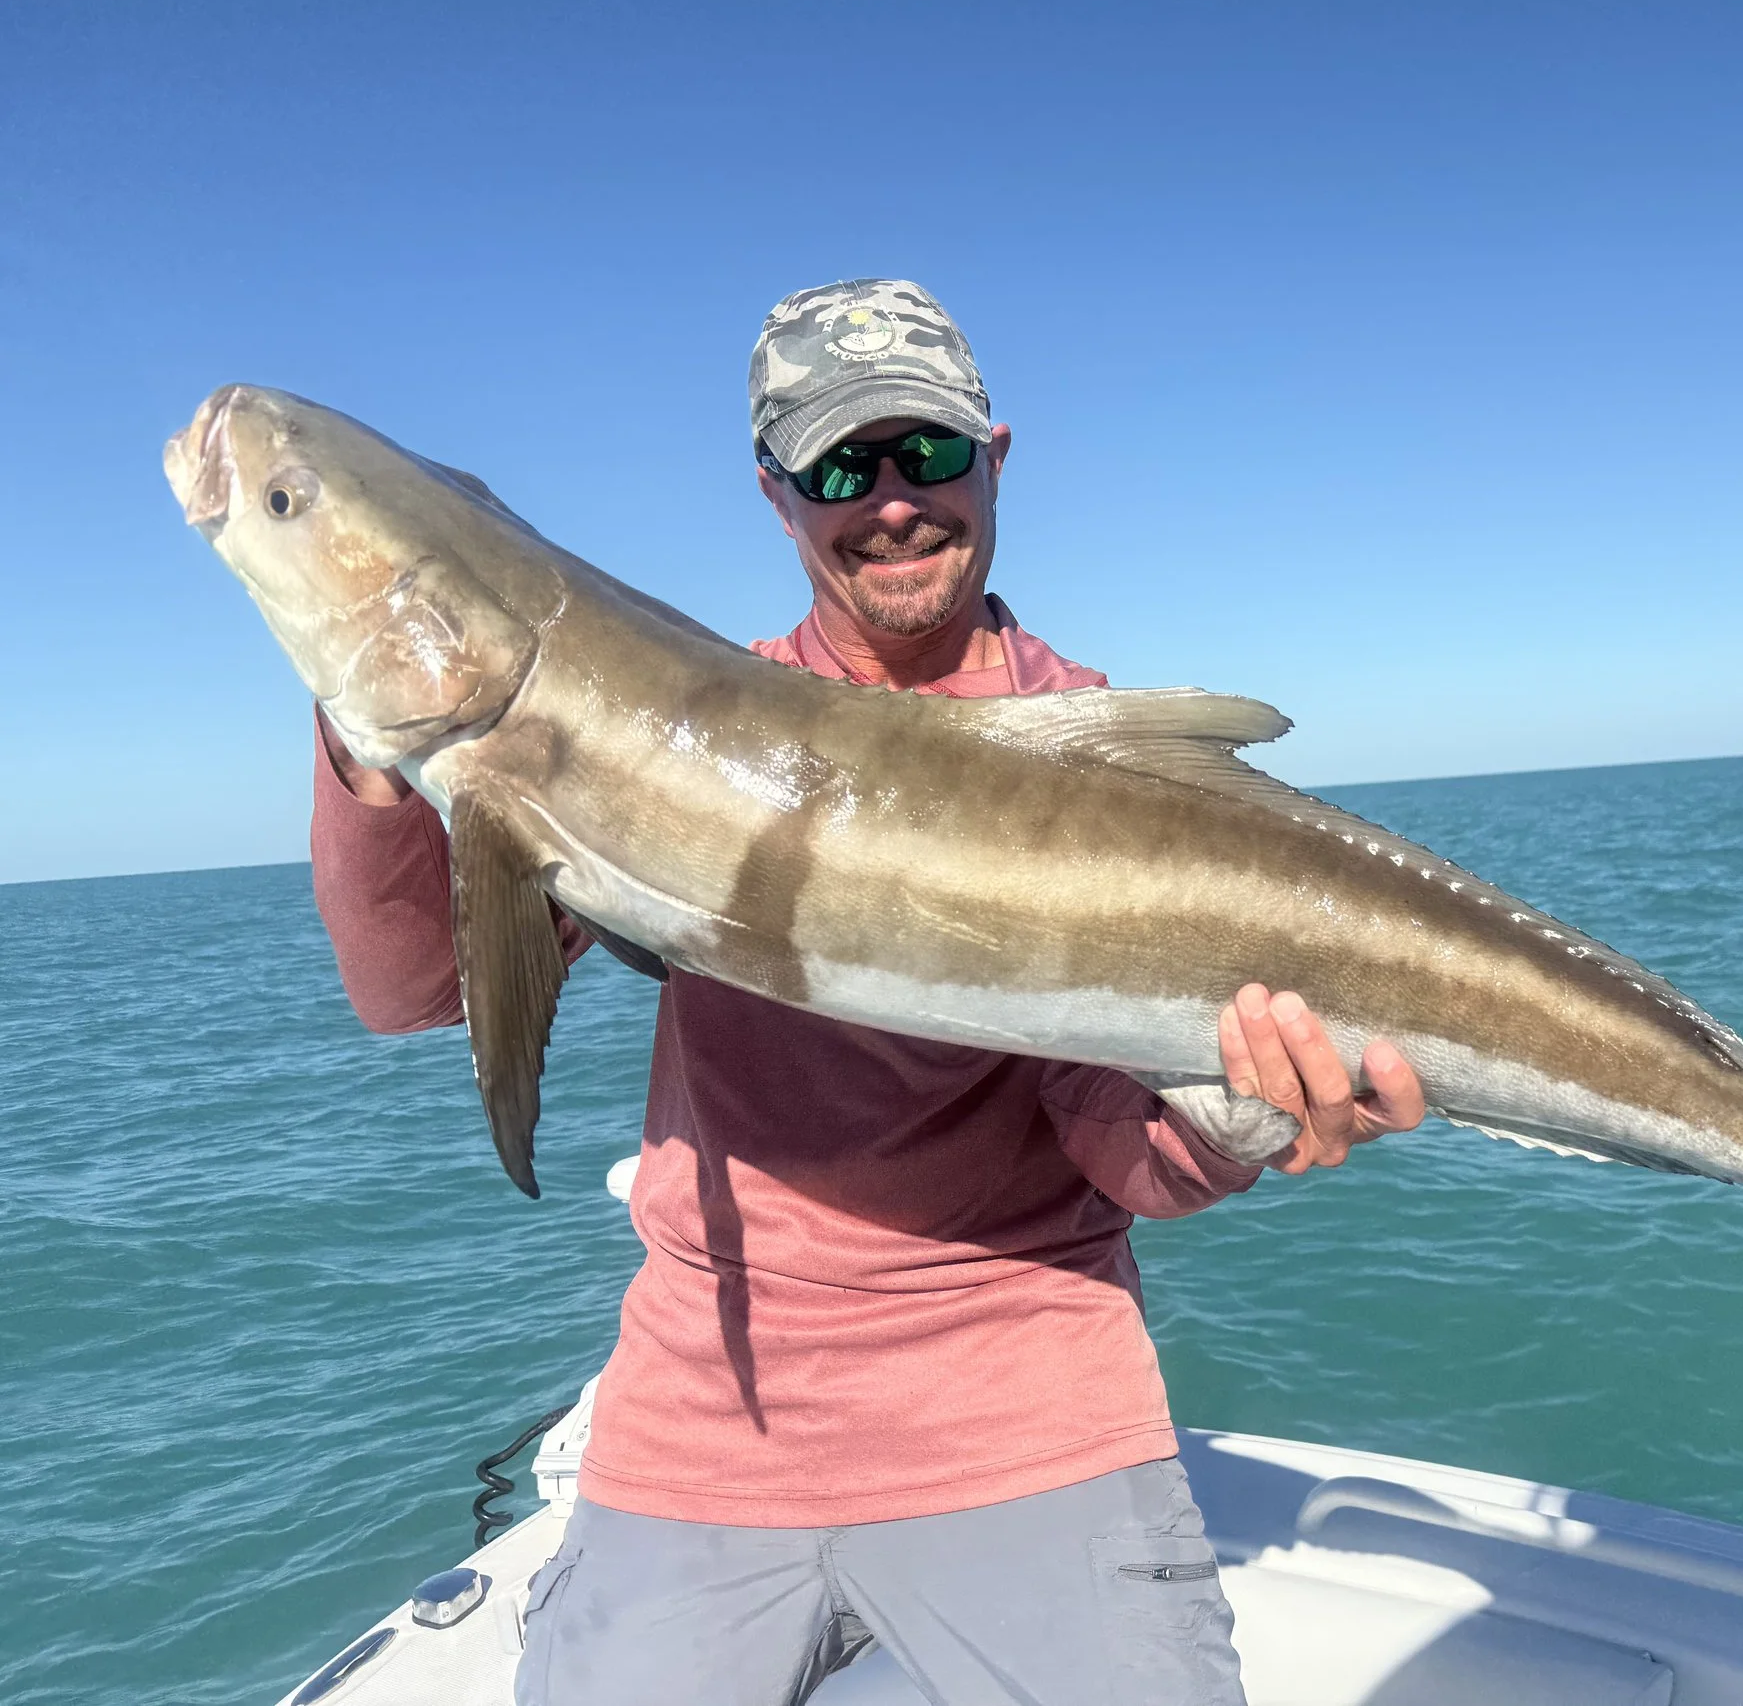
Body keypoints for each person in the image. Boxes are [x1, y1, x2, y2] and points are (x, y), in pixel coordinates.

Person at [307, 278, 1426, 1705]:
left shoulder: (1097, 769)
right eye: (842, 468)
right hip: (707, 1409)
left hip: (1025, 1390)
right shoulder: (657, 722)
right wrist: (373, 729)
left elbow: (1120, 1147)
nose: (892, 502)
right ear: (780, 498)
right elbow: (414, 988)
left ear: (997, 457)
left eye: (929, 454)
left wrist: (1244, 1118)